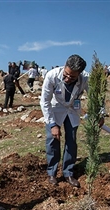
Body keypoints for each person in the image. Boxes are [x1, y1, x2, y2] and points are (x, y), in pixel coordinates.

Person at [40, 54, 89, 188]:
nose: (67, 79)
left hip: (72, 110)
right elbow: (44, 101)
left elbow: (96, 97)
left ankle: (68, 172)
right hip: (55, 109)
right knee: (53, 140)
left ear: (79, 74)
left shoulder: (85, 79)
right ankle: (52, 172)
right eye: (66, 74)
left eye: (72, 77)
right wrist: (52, 124)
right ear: (64, 66)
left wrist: (100, 113)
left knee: (71, 141)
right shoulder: (52, 75)